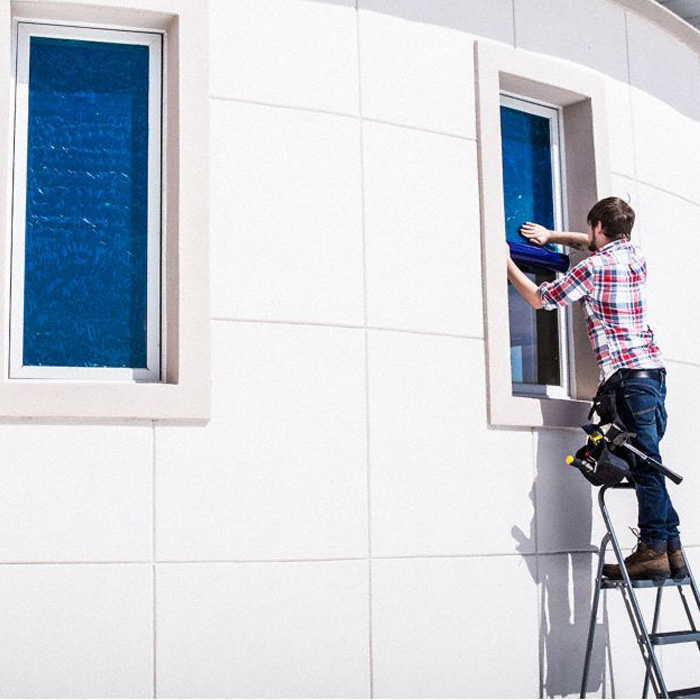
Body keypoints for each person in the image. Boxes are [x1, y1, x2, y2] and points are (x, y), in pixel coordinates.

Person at [506, 196, 686, 581]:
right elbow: (586, 243)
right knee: (648, 462)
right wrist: (552, 236)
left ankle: (654, 547)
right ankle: (670, 547)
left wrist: (504, 260)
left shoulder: (594, 267)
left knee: (645, 466)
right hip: (652, 376)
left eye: (590, 228)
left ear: (598, 227)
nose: (587, 236)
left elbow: (541, 299)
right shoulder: (633, 255)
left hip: (625, 380)